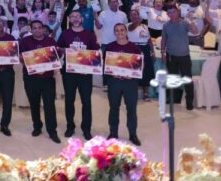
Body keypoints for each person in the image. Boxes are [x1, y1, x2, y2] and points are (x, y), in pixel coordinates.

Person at [57, 11, 99, 140]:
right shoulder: (65, 34)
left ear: (81, 19)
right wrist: (64, 50)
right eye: (72, 17)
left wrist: (89, 56)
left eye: (77, 16)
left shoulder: (89, 34)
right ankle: (70, 126)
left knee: (86, 102)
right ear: (69, 19)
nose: (75, 19)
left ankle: (86, 129)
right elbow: (58, 49)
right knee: (69, 100)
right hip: (69, 73)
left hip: (85, 74)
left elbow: (96, 52)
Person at [19, 20, 61, 143]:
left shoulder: (51, 41)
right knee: (34, 104)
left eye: (39, 27)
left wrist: (46, 68)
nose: (37, 30)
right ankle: (37, 127)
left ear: (43, 29)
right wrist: (34, 67)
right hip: (31, 77)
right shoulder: (25, 41)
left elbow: (56, 57)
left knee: (49, 105)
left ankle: (52, 131)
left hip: (47, 78)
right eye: (34, 28)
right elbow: (21, 57)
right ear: (31, 30)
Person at [106, 23, 142, 145]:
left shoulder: (134, 48)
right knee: (113, 108)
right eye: (116, 30)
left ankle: (133, 134)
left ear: (126, 32)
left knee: (131, 109)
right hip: (114, 82)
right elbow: (106, 65)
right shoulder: (110, 47)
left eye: (122, 30)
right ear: (114, 32)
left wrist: (131, 74)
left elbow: (140, 65)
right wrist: (111, 73)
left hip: (130, 83)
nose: (119, 32)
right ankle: (113, 133)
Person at [160, 6, 195, 110]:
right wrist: (163, 53)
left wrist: (192, 20)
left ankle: (189, 102)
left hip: (184, 56)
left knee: (187, 79)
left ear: (178, 12)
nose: (172, 14)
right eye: (169, 13)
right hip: (171, 56)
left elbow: (195, 31)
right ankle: (173, 98)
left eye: (173, 12)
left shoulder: (184, 23)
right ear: (167, 14)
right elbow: (163, 40)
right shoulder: (166, 25)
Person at [96, 0, 127, 86]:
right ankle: (106, 83)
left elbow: (124, 28)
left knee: (119, 63)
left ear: (118, 3)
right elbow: (98, 26)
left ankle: (117, 82)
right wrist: (95, 16)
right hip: (106, 42)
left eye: (115, 2)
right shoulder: (103, 13)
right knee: (106, 64)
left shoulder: (123, 14)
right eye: (111, 2)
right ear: (108, 4)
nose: (113, 3)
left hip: (119, 43)